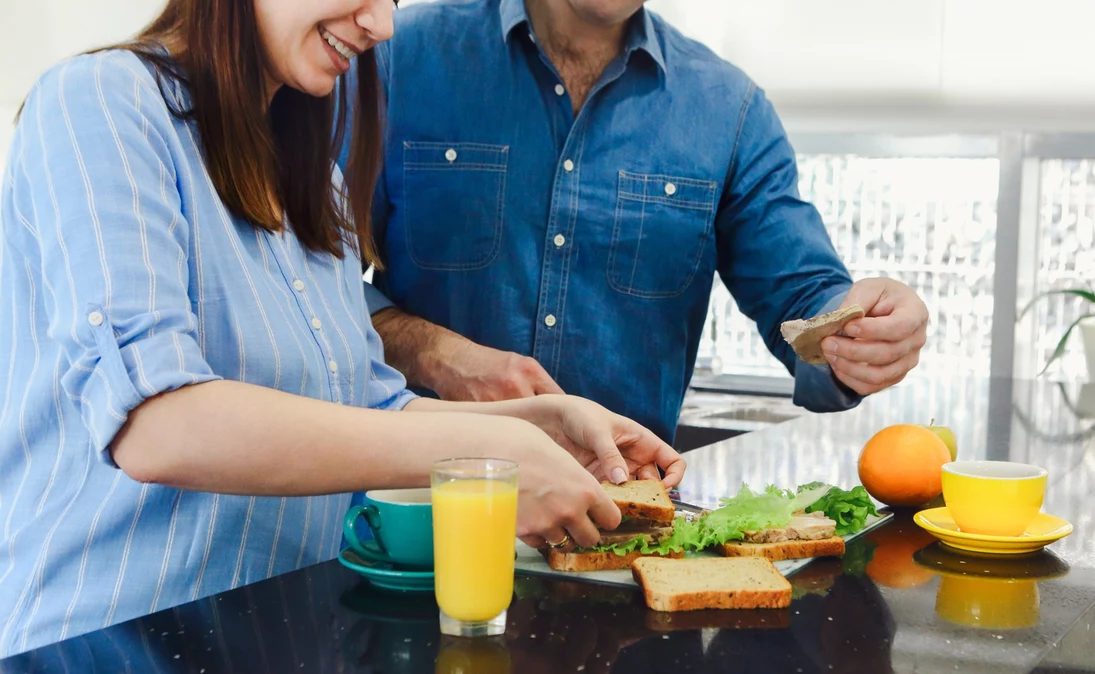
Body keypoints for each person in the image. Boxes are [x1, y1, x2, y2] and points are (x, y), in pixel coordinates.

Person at [0, 0, 683, 656]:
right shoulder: (100, 104)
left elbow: (366, 403)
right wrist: (490, 446)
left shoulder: (313, 179)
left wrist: (541, 426)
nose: (382, 23)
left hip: (281, 636)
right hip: (104, 644)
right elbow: (156, 424)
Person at [357, 0, 931, 443]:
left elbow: (801, 299)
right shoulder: (393, 59)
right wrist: (432, 350)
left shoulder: (730, 110)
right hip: (416, 512)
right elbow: (300, 289)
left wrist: (862, 332)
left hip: (619, 530)